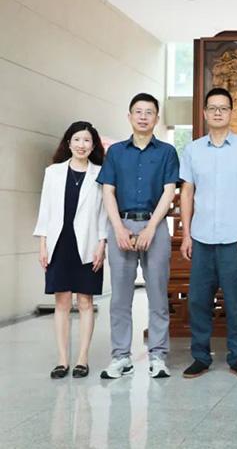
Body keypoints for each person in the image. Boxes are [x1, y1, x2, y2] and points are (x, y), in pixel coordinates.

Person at [180, 88, 237, 379]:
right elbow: (187, 192)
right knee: (198, 301)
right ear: (204, 113)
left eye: (223, 108)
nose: (218, 112)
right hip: (201, 238)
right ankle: (200, 357)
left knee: (236, 302)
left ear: (230, 113)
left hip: (234, 239)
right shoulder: (192, 150)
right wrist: (186, 234)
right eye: (212, 108)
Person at [97, 93, 180, 379]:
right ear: (129, 116)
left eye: (149, 112)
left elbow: (169, 191)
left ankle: (158, 355)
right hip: (121, 225)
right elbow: (108, 191)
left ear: (157, 118)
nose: (143, 117)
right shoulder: (116, 152)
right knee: (120, 298)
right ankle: (121, 357)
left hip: (155, 226)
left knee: (157, 295)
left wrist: (151, 227)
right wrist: (118, 228)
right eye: (138, 112)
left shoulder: (167, 152)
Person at [34, 122, 108, 379]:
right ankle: (62, 360)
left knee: (85, 301)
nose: (81, 145)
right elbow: (45, 209)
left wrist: (102, 243)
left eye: (86, 140)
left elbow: (104, 213)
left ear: (93, 145)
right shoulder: (53, 172)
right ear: (68, 143)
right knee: (62, 301)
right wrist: (42, 244)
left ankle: (82, 359)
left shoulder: (100, 174)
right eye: (77, 139)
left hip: (88, 243)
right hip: (59, 243)